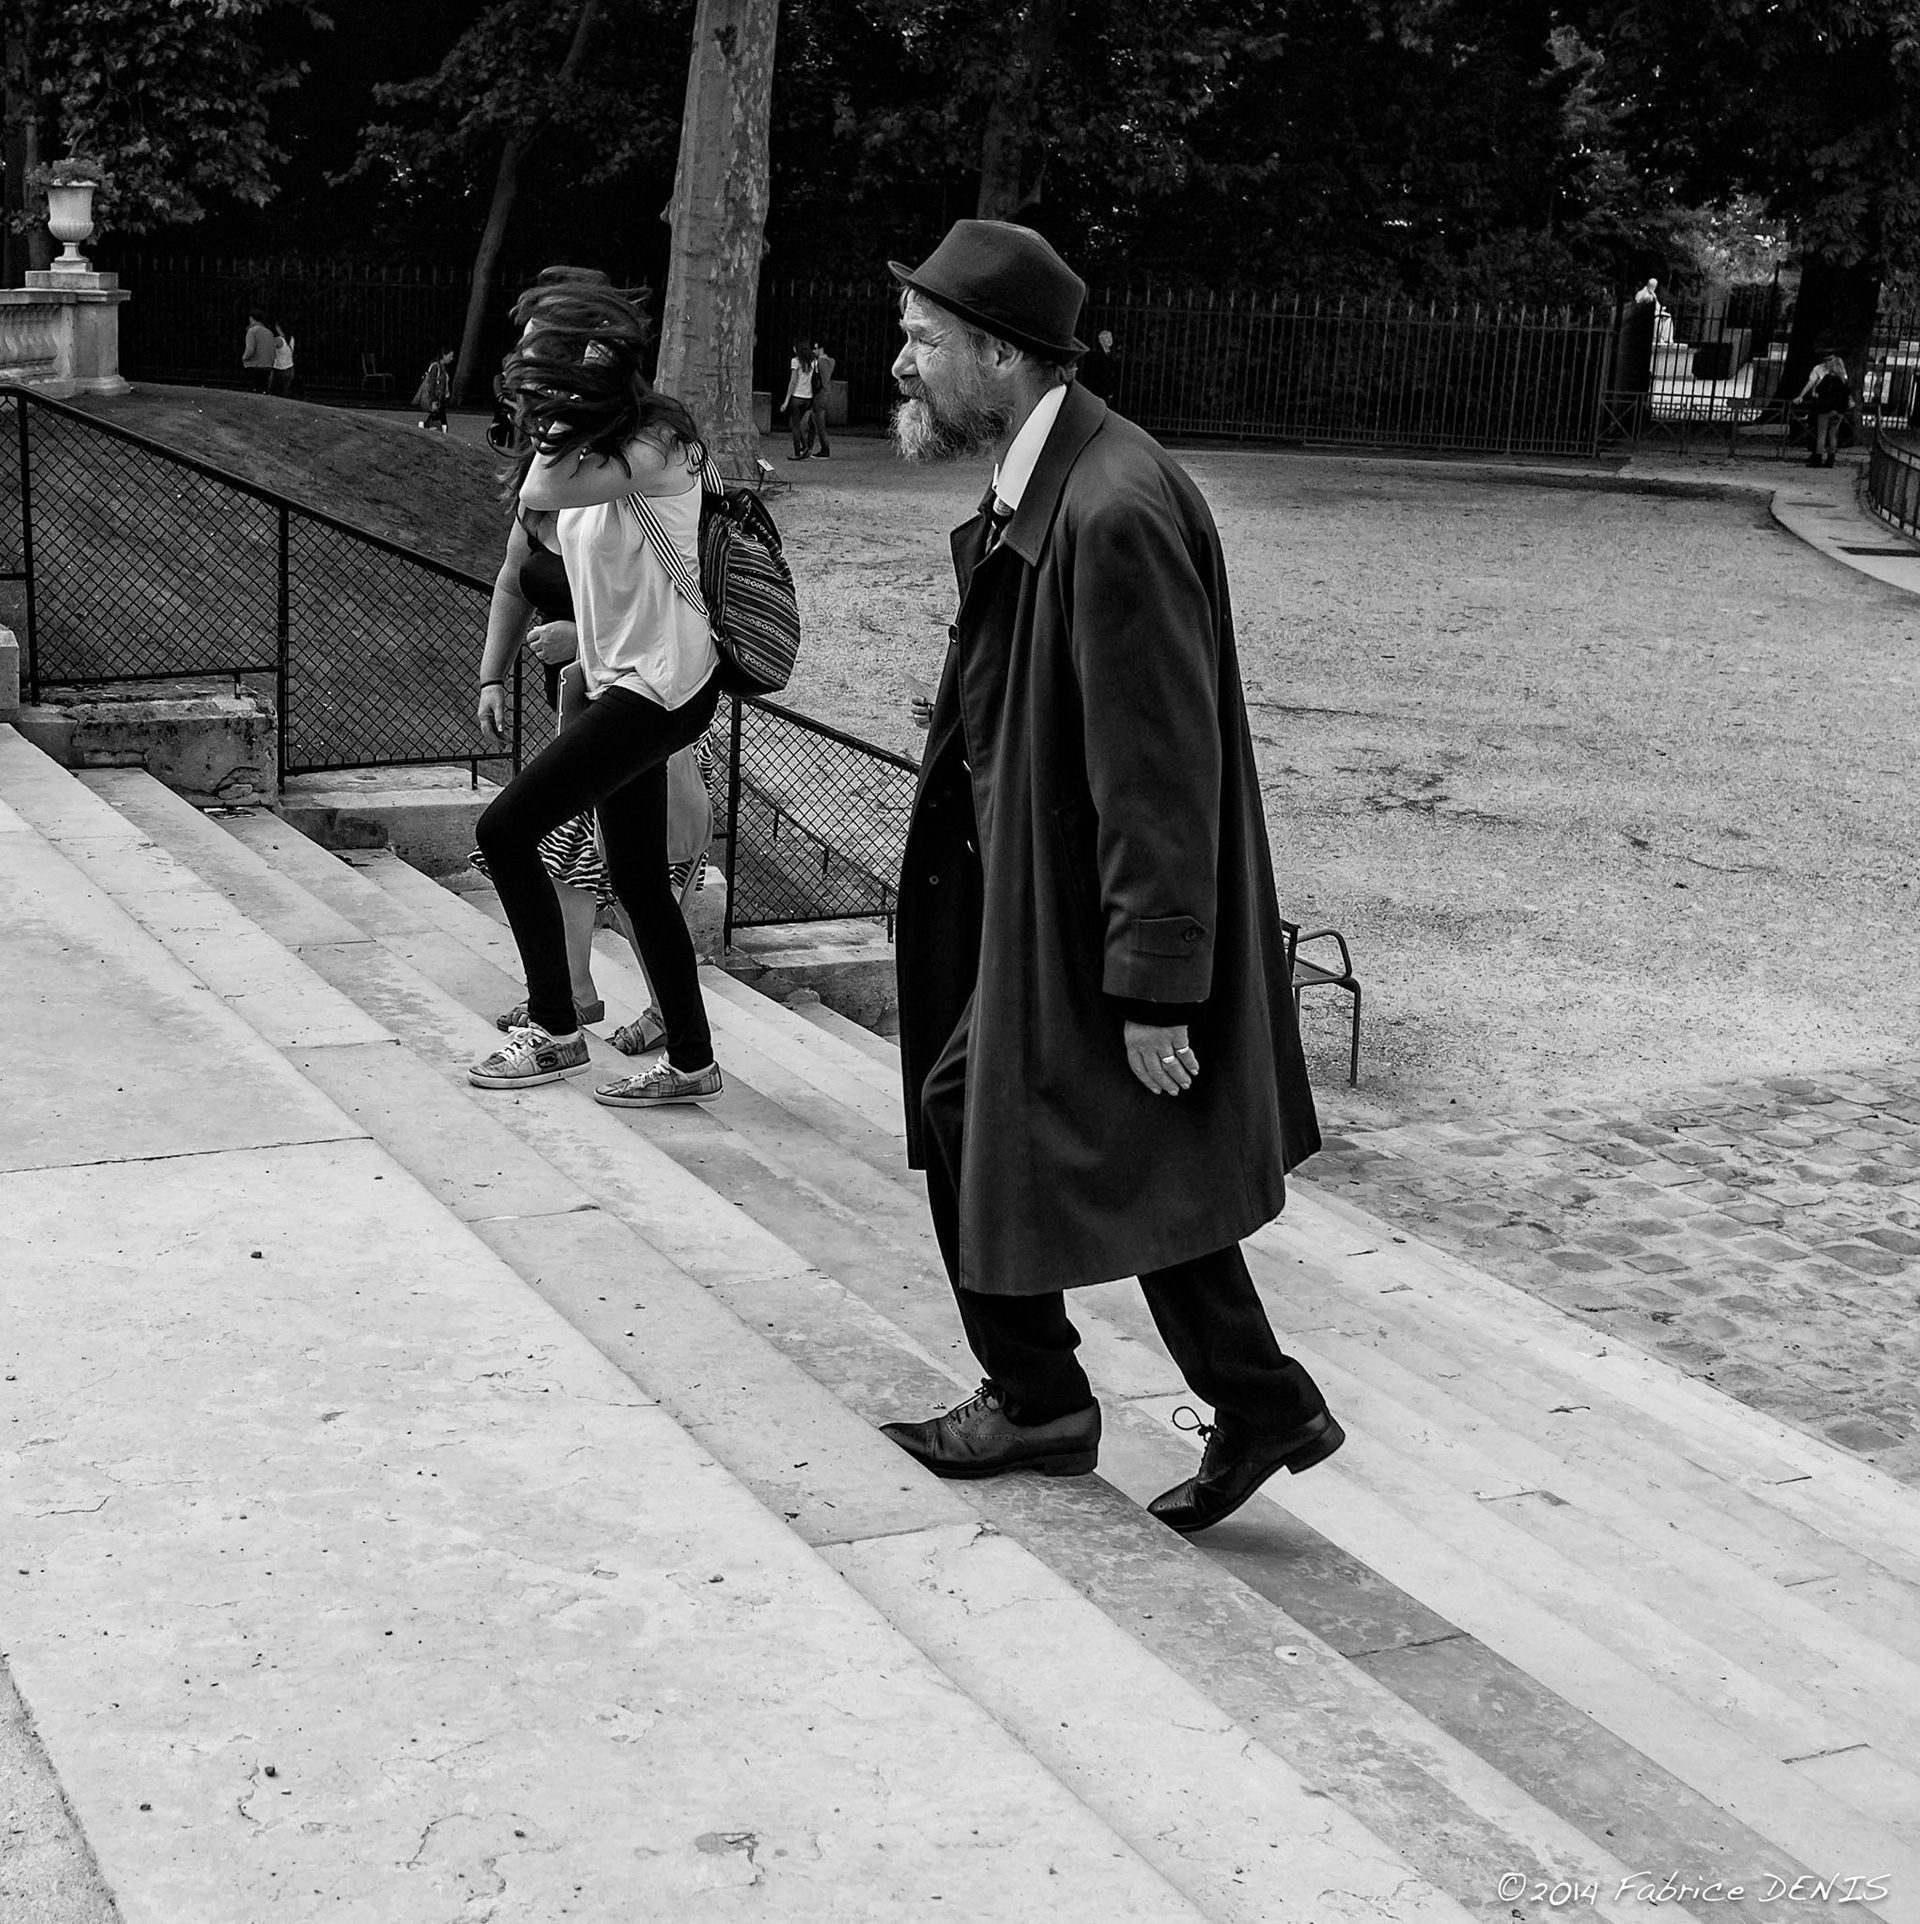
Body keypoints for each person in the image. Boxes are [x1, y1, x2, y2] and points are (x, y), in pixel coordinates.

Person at [875, 218, 1340, 1535]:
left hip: (1091, 916)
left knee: (1030, 1116)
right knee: (1072, 1131)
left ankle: (1052, 1402)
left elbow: (1161, 772)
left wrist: (1153, 986)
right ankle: (1236, 1402)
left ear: (1000, 353)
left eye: (921, 340)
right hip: (1047, 896)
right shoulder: (1055, 474)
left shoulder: (1113, 503)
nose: (900, 363)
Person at [468, 279, 724, 1107]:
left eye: (549, 357)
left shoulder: (657, 444)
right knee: (640, 880)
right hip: (622, 683)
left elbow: (541, 492)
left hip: (664, 688)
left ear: (593, 361)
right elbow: (552, 556)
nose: (531, 379)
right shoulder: (596, 447)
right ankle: (693, 1063)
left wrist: (567, 405)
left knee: (505, 830)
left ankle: (555, 1031)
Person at [1796, 350, 1852, 469]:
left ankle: (1818, 459)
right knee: (1833, 436)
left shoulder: (1827, 378)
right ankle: (1830, 460)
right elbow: (1847, 394)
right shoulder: (1843, 379)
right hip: (1839, 411)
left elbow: (1818, 390)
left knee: (1821, 435)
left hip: (1825, 410)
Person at [782, 338, 831, 459]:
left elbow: (793, 381)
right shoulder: (813, 361)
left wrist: (786, 400)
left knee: (796, 425)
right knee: (806, 423)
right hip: (808, 396)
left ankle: (798, 451)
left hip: (797, 396)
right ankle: (806, 447)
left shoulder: (796, 361)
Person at [417, 348, 455, 432]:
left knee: (438, 417)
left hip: (440, 398)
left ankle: (427, 426)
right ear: (444, 355)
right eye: (450, 356)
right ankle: (425, 425)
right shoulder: (436, 367)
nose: (451, 359)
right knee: (439, 418)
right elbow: (432, 384)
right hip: (436, 398)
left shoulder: (441, 368)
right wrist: (433, 400)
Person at [1077, 327, 1118, 401]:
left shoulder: (1109, 356)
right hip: (1098, 392)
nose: (1109, 340)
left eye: (1110, 337)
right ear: (1101, 340)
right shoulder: (1097, 356)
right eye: (1106, 338)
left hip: (1105, 392)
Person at [242, 309, 276, 393]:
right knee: (262, 390)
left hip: (255, 365)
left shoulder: (252, 331)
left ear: (251, 318)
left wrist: (244, 357)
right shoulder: (269, 332)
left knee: (253, 390)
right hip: (267, 365)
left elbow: (250, 349)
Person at [268, 319, 296, 397]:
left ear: (279, 328)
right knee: (283, 393)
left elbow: (268, 347)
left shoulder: (278, 340)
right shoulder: (291, 338)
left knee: (272, 393)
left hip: (279, 370)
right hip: (290, 368)